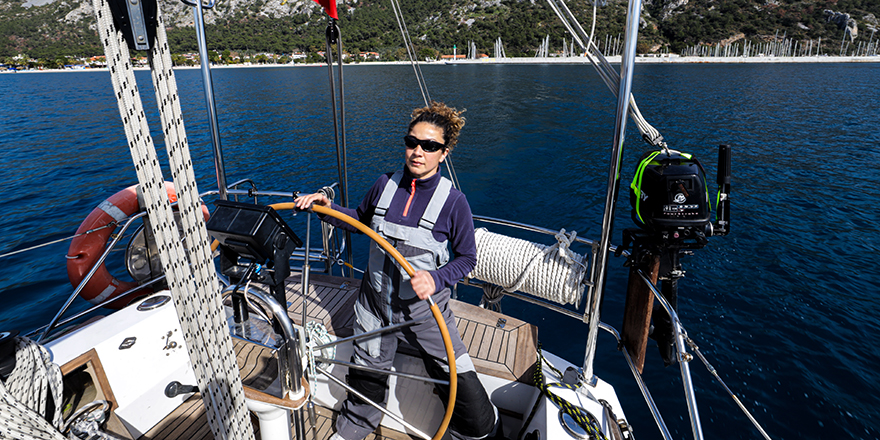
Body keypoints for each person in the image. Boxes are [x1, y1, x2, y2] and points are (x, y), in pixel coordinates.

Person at [295, 102, 499, 440]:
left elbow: (466, 259)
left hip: (425, 313)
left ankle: (474, 435)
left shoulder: (454, 202)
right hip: (374, 307)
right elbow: (360, 220)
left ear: (444, 153)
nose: (418, 152)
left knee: (467, 395)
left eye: (430, 146)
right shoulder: (384, 184)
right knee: (365, 377)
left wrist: (436, 278)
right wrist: (327, 208)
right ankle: (354, 428)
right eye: (412, 142)